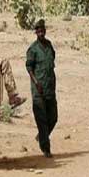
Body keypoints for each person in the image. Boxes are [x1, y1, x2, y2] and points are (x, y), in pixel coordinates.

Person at [26, 19, 57, 158]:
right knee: (42, 120)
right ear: (35, 33)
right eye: (38, 31)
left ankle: (42, 136)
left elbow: (52, 61)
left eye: (42, 30)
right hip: (38, 90)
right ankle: (46, 148)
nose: (41, 33)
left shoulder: (49, 45)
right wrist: (36, 82)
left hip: (50, 88)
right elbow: (29, 67)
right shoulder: (33, 49)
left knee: (53, 117)